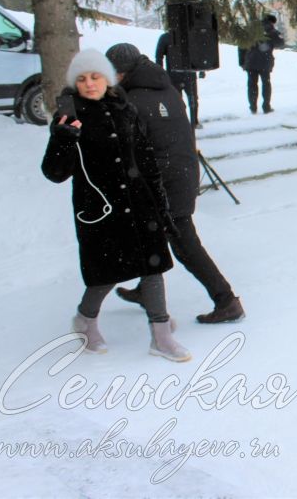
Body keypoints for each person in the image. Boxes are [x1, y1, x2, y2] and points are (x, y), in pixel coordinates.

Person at [41, 49, 191, 362]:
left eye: (95, 76)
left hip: (138, 203)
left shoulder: (124, 107)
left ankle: (161, 335)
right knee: (106, 274)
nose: (89, 83)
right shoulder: (70, 114)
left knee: (153, 267)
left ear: (107, 78)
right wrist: (63, 138)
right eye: (82, 79)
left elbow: (145, 158)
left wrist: (159, 202)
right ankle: (85, 320)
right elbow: (55, 173)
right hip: (101, 209)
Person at [104, 43, 245, 324]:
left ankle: (226, 301)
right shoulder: (165, 88)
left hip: (165, 181)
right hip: (180, 172)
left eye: (113, 73)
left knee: (185, 247)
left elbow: (129, 146)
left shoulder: (132, 99)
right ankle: (147, 292)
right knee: (150, 239)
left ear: (123, 72)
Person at [239, 14, 285, 114]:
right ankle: (266, 106)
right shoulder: (272, 31)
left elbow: (241, 46)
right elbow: (281, 44)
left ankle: (253, 107)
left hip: (250, 62)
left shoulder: (250, 30)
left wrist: (242, 62)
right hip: (265, 62)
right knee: (266, 84)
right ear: (272, 22)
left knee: (252, 85)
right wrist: (276, 35)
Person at [154, 31, 201, 128]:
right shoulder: (166, 37)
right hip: (174, 75)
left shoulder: (190, 35)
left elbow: (198, 53)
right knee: (177, 101)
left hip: (188, 74)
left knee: (192, 100)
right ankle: (181, 122)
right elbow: (159, 56)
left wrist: (201, 69)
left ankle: (194, 121)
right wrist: (161, 73)